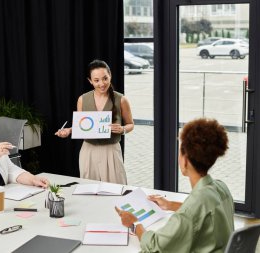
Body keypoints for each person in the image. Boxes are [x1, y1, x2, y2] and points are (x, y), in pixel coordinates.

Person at [115, 118, 234, 252]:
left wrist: (135, 223)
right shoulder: (221, 188)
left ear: (185, 161)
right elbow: (202, 212)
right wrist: (170, 205)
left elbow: (155, 247)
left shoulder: (190, 211)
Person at [55, 59, 134, 184]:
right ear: (90, 81)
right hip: (88, 150)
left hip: (111, 150)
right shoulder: (82, 99)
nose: (101, 83)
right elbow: (81, 126)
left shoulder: (121, 99)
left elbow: (131, 124)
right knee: (89, 190)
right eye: (96, 80)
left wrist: (123, 129)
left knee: (116, 190)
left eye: (105, 78)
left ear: (110, 76)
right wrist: (68, 130)